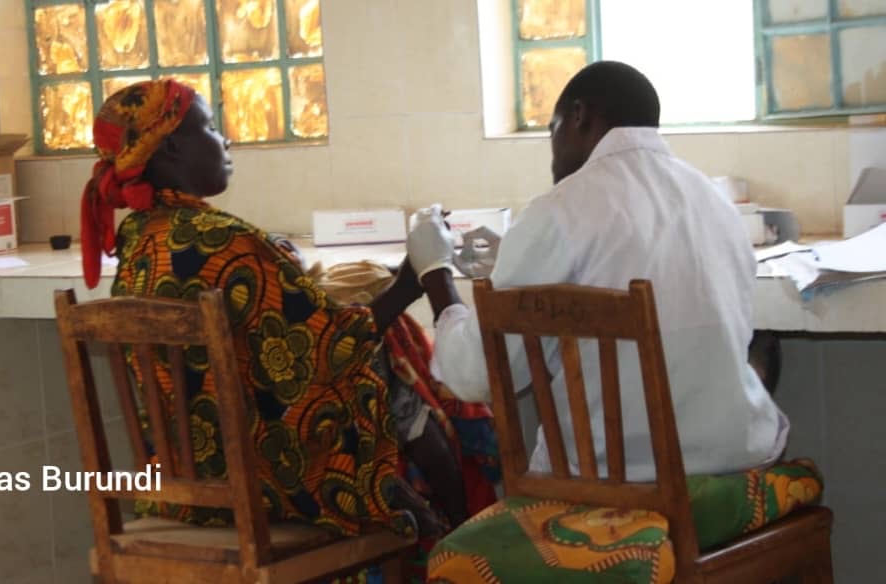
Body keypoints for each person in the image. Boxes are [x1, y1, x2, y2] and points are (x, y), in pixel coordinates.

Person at [80, 79, 497, 543]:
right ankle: (456, 533)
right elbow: (327, 347)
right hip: (267, 485)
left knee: (382, 363)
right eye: (213, 128)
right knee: (390, 357)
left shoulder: (139, 242)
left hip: (185, 484)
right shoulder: (223, 243)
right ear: (172, 147)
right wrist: (415, 277)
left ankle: (444, 523)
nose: (226, 140)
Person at [407, 61, 789, 481]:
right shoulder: (713, 200)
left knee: (459, 549)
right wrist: (513, 259)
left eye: (552, 131)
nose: (552, 153)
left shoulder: (561, 209)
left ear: (578, 115)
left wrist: (436, 272)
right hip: (737, 467)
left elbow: (480, 375)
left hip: (615, 484)